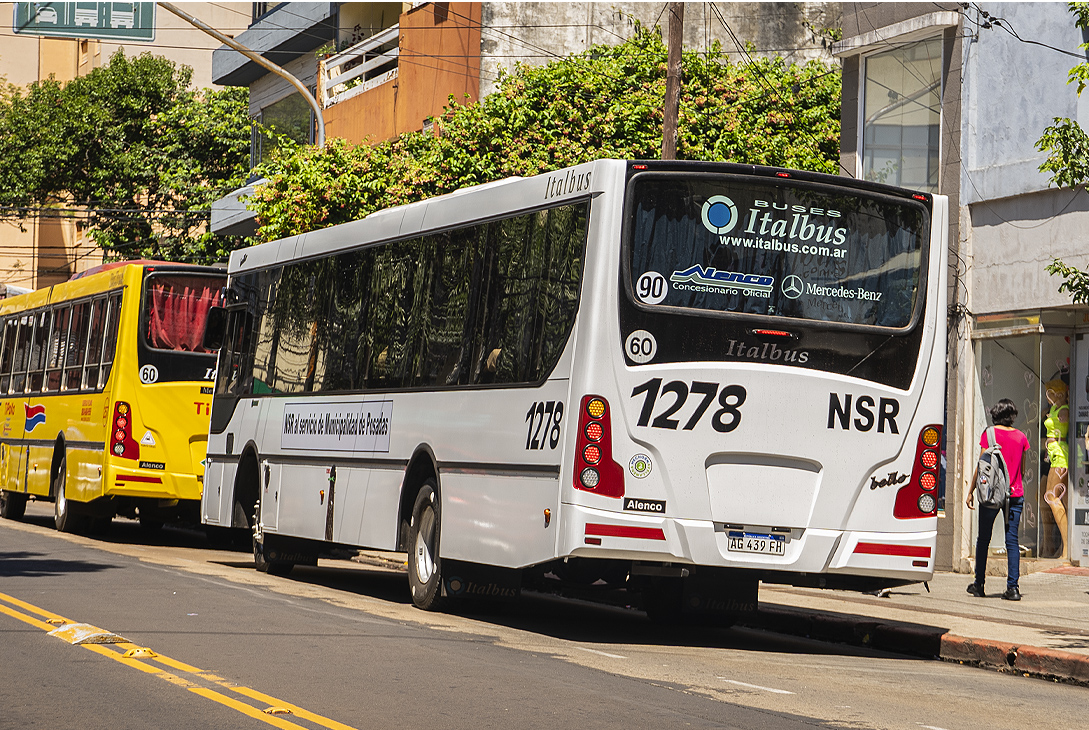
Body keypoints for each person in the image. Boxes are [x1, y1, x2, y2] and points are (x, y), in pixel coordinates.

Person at [966, 398, 1030, 601]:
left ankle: (979, 584)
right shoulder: (1021, 437)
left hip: (992, 494)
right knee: (1012, 541)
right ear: (1012, 416)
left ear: (996, 414)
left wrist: (971, 490)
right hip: (1015, 495)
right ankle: (1013, 588)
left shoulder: (989, 434)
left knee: (983, 539)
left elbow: (982, 464)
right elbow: (1022, 468)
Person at [1042, 378, 1069, 559]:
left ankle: (1066, 547)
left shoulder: (1063, 409)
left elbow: (1066, 416)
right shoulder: (1053, 408)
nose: (1049, 397)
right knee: (1060, 500)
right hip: (1054, 456)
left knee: (1052, 497)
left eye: (1050, 393)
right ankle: (1063, 547)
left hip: (1060, 455)